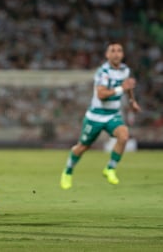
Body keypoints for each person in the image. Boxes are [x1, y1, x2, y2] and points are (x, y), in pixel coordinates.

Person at [60, 41, 141, 190]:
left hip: (112, 115)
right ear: (107, 55)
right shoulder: (103, 72)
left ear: (123, 54)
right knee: (82, 148)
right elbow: (101, 94)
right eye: (113, 51)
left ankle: (110, 168)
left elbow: (128, 86)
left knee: (124, 136)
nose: (116, 53)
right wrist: (120, 88)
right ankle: (68, 171)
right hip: (95, 116)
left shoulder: (125, 70)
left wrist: (132, 101)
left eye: (119, 51)